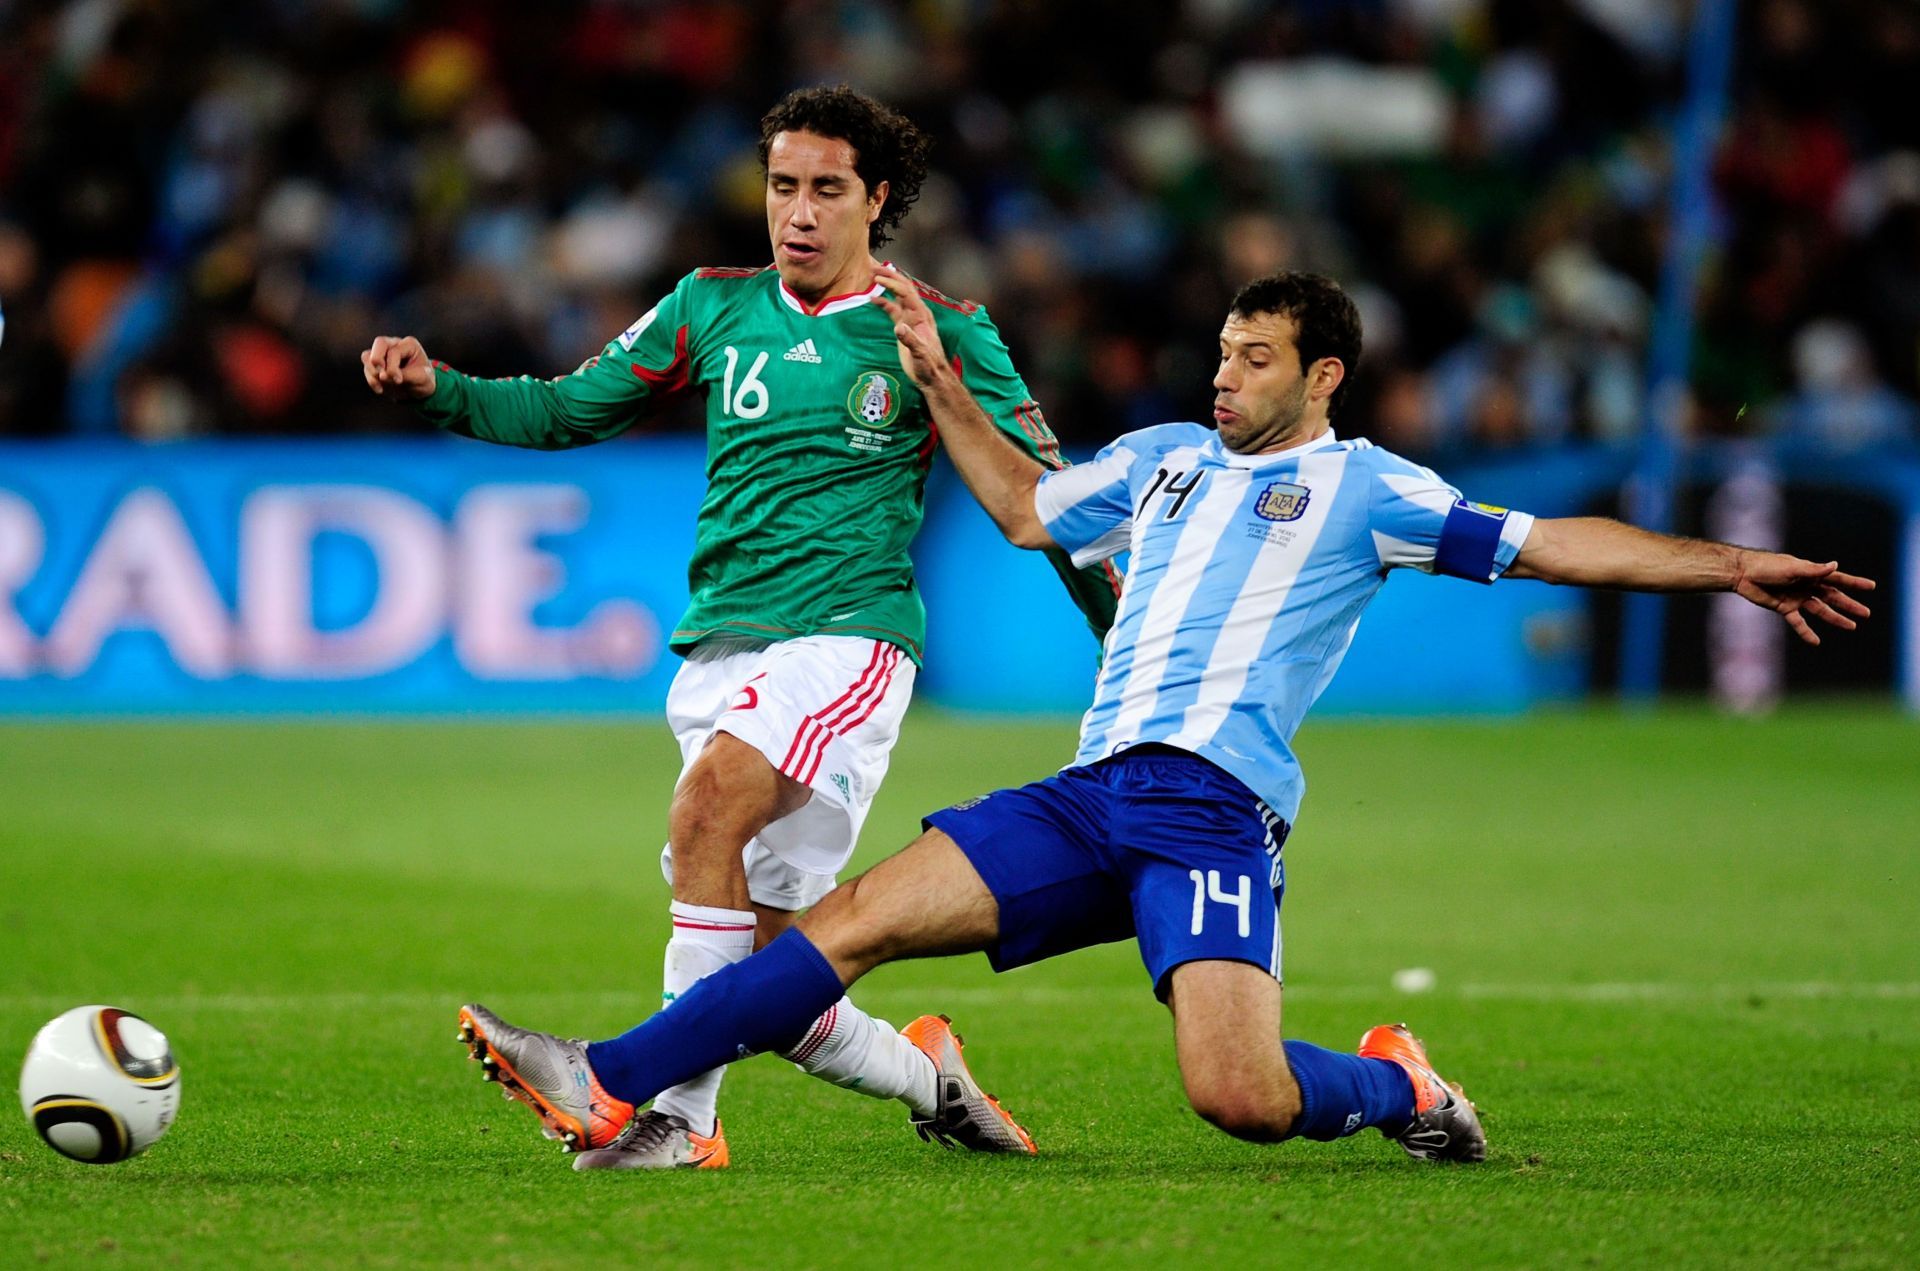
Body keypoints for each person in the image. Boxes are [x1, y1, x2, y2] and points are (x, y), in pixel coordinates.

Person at [453, 270, 1875, 1165]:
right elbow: (1019, 509)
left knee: (1238, 1095)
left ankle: (1401, 1088)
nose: (1223, 373)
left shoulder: (1373, 488)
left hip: (1209, 805)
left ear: (1322, 375)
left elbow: (1554, 541)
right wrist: (944, 387)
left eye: (1255, 357)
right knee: (849, 920)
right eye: (1220, 351)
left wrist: (1733, 563)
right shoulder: (1160, 459)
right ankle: (612, 1078)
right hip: (1088, 790)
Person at [363, 86, 1120, 1169]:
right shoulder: (710, 307)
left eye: (825, 190)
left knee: (706, 807)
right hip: (720, 642)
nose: (797, 213)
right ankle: (930, 1077)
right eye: (781, 187)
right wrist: (442, 388)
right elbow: (568, 408)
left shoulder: (941, 330)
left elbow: (1053, 504)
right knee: (774, 967)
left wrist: (1126, 648)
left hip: (849, 637)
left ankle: (676, 1117)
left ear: (878, 199)